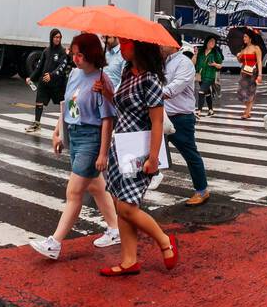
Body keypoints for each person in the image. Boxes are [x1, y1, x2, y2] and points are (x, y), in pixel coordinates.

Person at [29, 33, 122, 259]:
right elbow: (67, 105)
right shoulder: (75, 74)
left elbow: (108, 119)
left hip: (92, 138)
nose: (76, 58)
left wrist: (103, 153)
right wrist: (58, 131)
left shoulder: (102, 80)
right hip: (75, 135)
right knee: (96, 187)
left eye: (80, 54)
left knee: (74, 192)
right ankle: (115, 228)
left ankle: (55, 243)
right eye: (74, 53)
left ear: (91, 55)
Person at [94, 39, 179, 277]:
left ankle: (164, 241)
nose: (121, 47)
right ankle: (129, 260)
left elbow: (157, 122)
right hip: (120, 146)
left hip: (138, 150)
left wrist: (153, 158)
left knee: (127, 206)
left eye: (126, 44)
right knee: (121, 204)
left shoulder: (150, 79)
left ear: (138, 47)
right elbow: (123, 107)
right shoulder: (127, 72)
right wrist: (107, 92)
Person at [162, 37, 210, 206]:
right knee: (151, 152)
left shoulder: (184, 63)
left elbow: (175, 87)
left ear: (173, 44)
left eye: (162, 42)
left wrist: (151, 93)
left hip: (180, 117)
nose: (159, 45)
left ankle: (202, 190)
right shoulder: (162, 62)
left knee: (189, 153)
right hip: (161, 115)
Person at [26, 28, 70, 132]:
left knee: (63, 104)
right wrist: (31, 77)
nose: (57, 39)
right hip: (44, 82)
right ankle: (37, 124)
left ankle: (66, 126)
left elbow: (61, 67)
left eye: (59, 37)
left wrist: (52, 75)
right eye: (55, 37)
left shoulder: (62, 52)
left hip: (57, 84)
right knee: (39, 102)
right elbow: (39, 67)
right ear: (51, 38)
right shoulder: (46, 51)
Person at [235, 29, 262, 120]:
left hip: (252, 72)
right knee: (241, 92)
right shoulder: (243, 49)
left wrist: (260, 75)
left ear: (250, 38)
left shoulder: (256, 48)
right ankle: (248, 108)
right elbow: (240, 61)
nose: (244, 38)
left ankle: (247, 112)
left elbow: (259, 62)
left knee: (251, 92)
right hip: (243, 72)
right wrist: (238, 57)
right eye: (243, 37)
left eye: (245, 37)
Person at [194, 35, 223, 115]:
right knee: (207, 93)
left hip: (210, 76)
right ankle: (211, 110)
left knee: (201, 92)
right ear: (207, 42)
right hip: (200, 76)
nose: (213, 43)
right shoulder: (200, 52)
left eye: (214, 42)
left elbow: (220, 65)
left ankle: (199, 111)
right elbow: (193, 62)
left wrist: (214, 64)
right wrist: (195, 54)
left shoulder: (215, 53)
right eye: (211, 41)